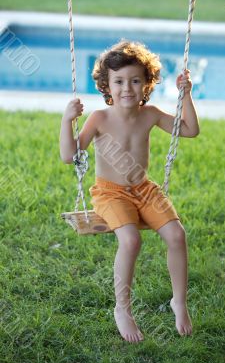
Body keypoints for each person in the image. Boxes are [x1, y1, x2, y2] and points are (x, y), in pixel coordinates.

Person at [60, 40, 200, 343]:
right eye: (119, 81)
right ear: (107, 86)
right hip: (110, 193)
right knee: (131, 239)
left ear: (147, 84)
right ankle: (122, 308)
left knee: (177, 236)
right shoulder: (99, 118)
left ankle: (179, 301)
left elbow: (189, 130)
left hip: (144, 189)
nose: (127, 88)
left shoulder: (150, 114)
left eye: (135, 81)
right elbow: (70, 155)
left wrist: (185, 95)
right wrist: (67, 120)